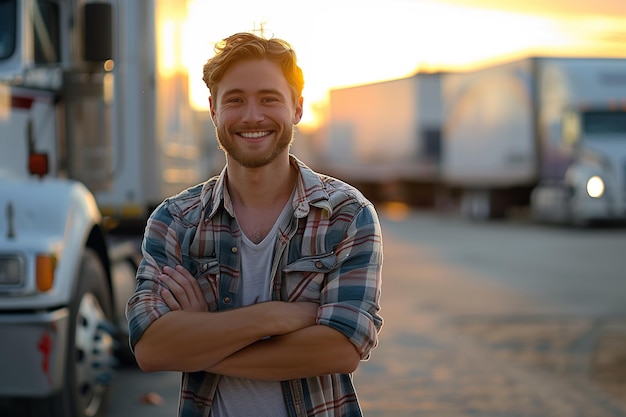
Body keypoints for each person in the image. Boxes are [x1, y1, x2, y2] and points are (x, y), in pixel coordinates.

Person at [126, 31, 383, 417]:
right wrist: (273, 317)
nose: (251, 116)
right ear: (213, 109)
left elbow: (340, 349)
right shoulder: (175, 221)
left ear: (297, 108)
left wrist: (201, 340)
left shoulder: (346, 215)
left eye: (268, 99)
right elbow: (150, 349)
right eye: (235, 100)